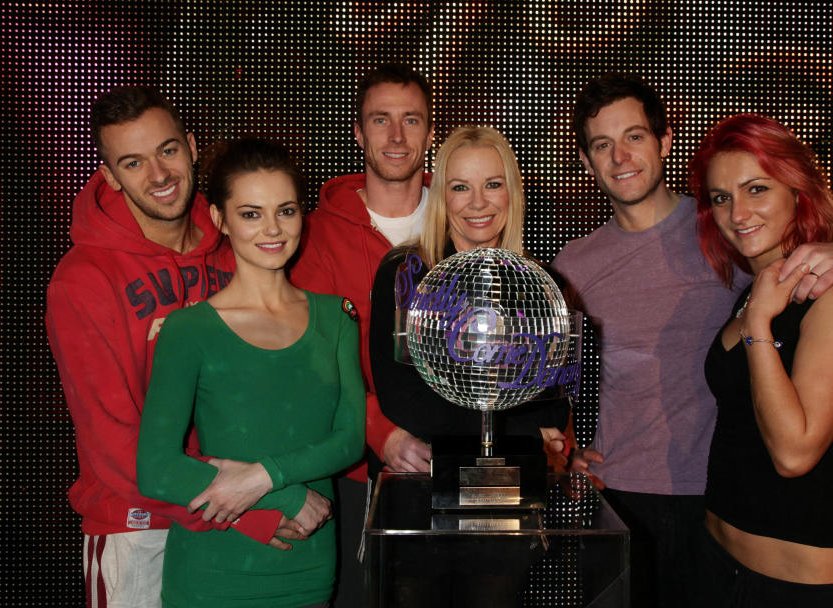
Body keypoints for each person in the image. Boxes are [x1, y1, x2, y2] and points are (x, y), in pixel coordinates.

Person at [551, 73, 833, 608]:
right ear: (586, 161)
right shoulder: (576, 264)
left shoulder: (723, 233)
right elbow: (551, 373)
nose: (620, 156)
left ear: (664, 142)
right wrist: (563, 450)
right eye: (602, 144)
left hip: (712, 503)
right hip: (626, 498)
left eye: (635, 136)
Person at [45, 87, 304, 608]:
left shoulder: (236, 250)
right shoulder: (83, 279)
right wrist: (242, 508)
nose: (159, 175)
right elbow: (115, 447)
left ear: (190, 146)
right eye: (133, 162)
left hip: (240, 514)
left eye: (167, 151)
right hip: (140, 529)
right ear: (111, 176)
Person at [137, 138, 365, 607]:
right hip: (212, 573)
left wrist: (263, 476)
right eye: (251, 213)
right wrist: (282, 497)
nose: (273, 229)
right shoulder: (188, 329)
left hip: (308, 569)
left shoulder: (336, 318)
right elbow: (156, 469)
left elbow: (350, 439)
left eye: (285, 210)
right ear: (220, 219)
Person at [688, 113, 833, 605]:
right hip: (716, 563)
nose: (737, 213)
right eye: (721, 197)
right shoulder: (757, 290)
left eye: (757, 189)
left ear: (797, 192)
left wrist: (758, 328)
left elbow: (793, 454)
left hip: (799, 588)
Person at [289, 63, 435, 607]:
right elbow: (312, 362)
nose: (396, 137)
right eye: (381, 120)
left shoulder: (460, 219)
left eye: (411, 120)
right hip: (354, 473)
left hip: (450, 468)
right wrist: (381, 432)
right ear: (358, 131)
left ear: (429, 130)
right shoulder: (316, 235)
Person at [369, 126, 570, 471]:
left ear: (512, 192)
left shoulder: (544, 284)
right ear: (441, 197)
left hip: (517, 481)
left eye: (493, 184)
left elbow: (552, 404)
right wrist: (521, 430)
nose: (478, 202)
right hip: (426, 480)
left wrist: (510, 430)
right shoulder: (405, 274)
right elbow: (403, 402)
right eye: (460, 187)